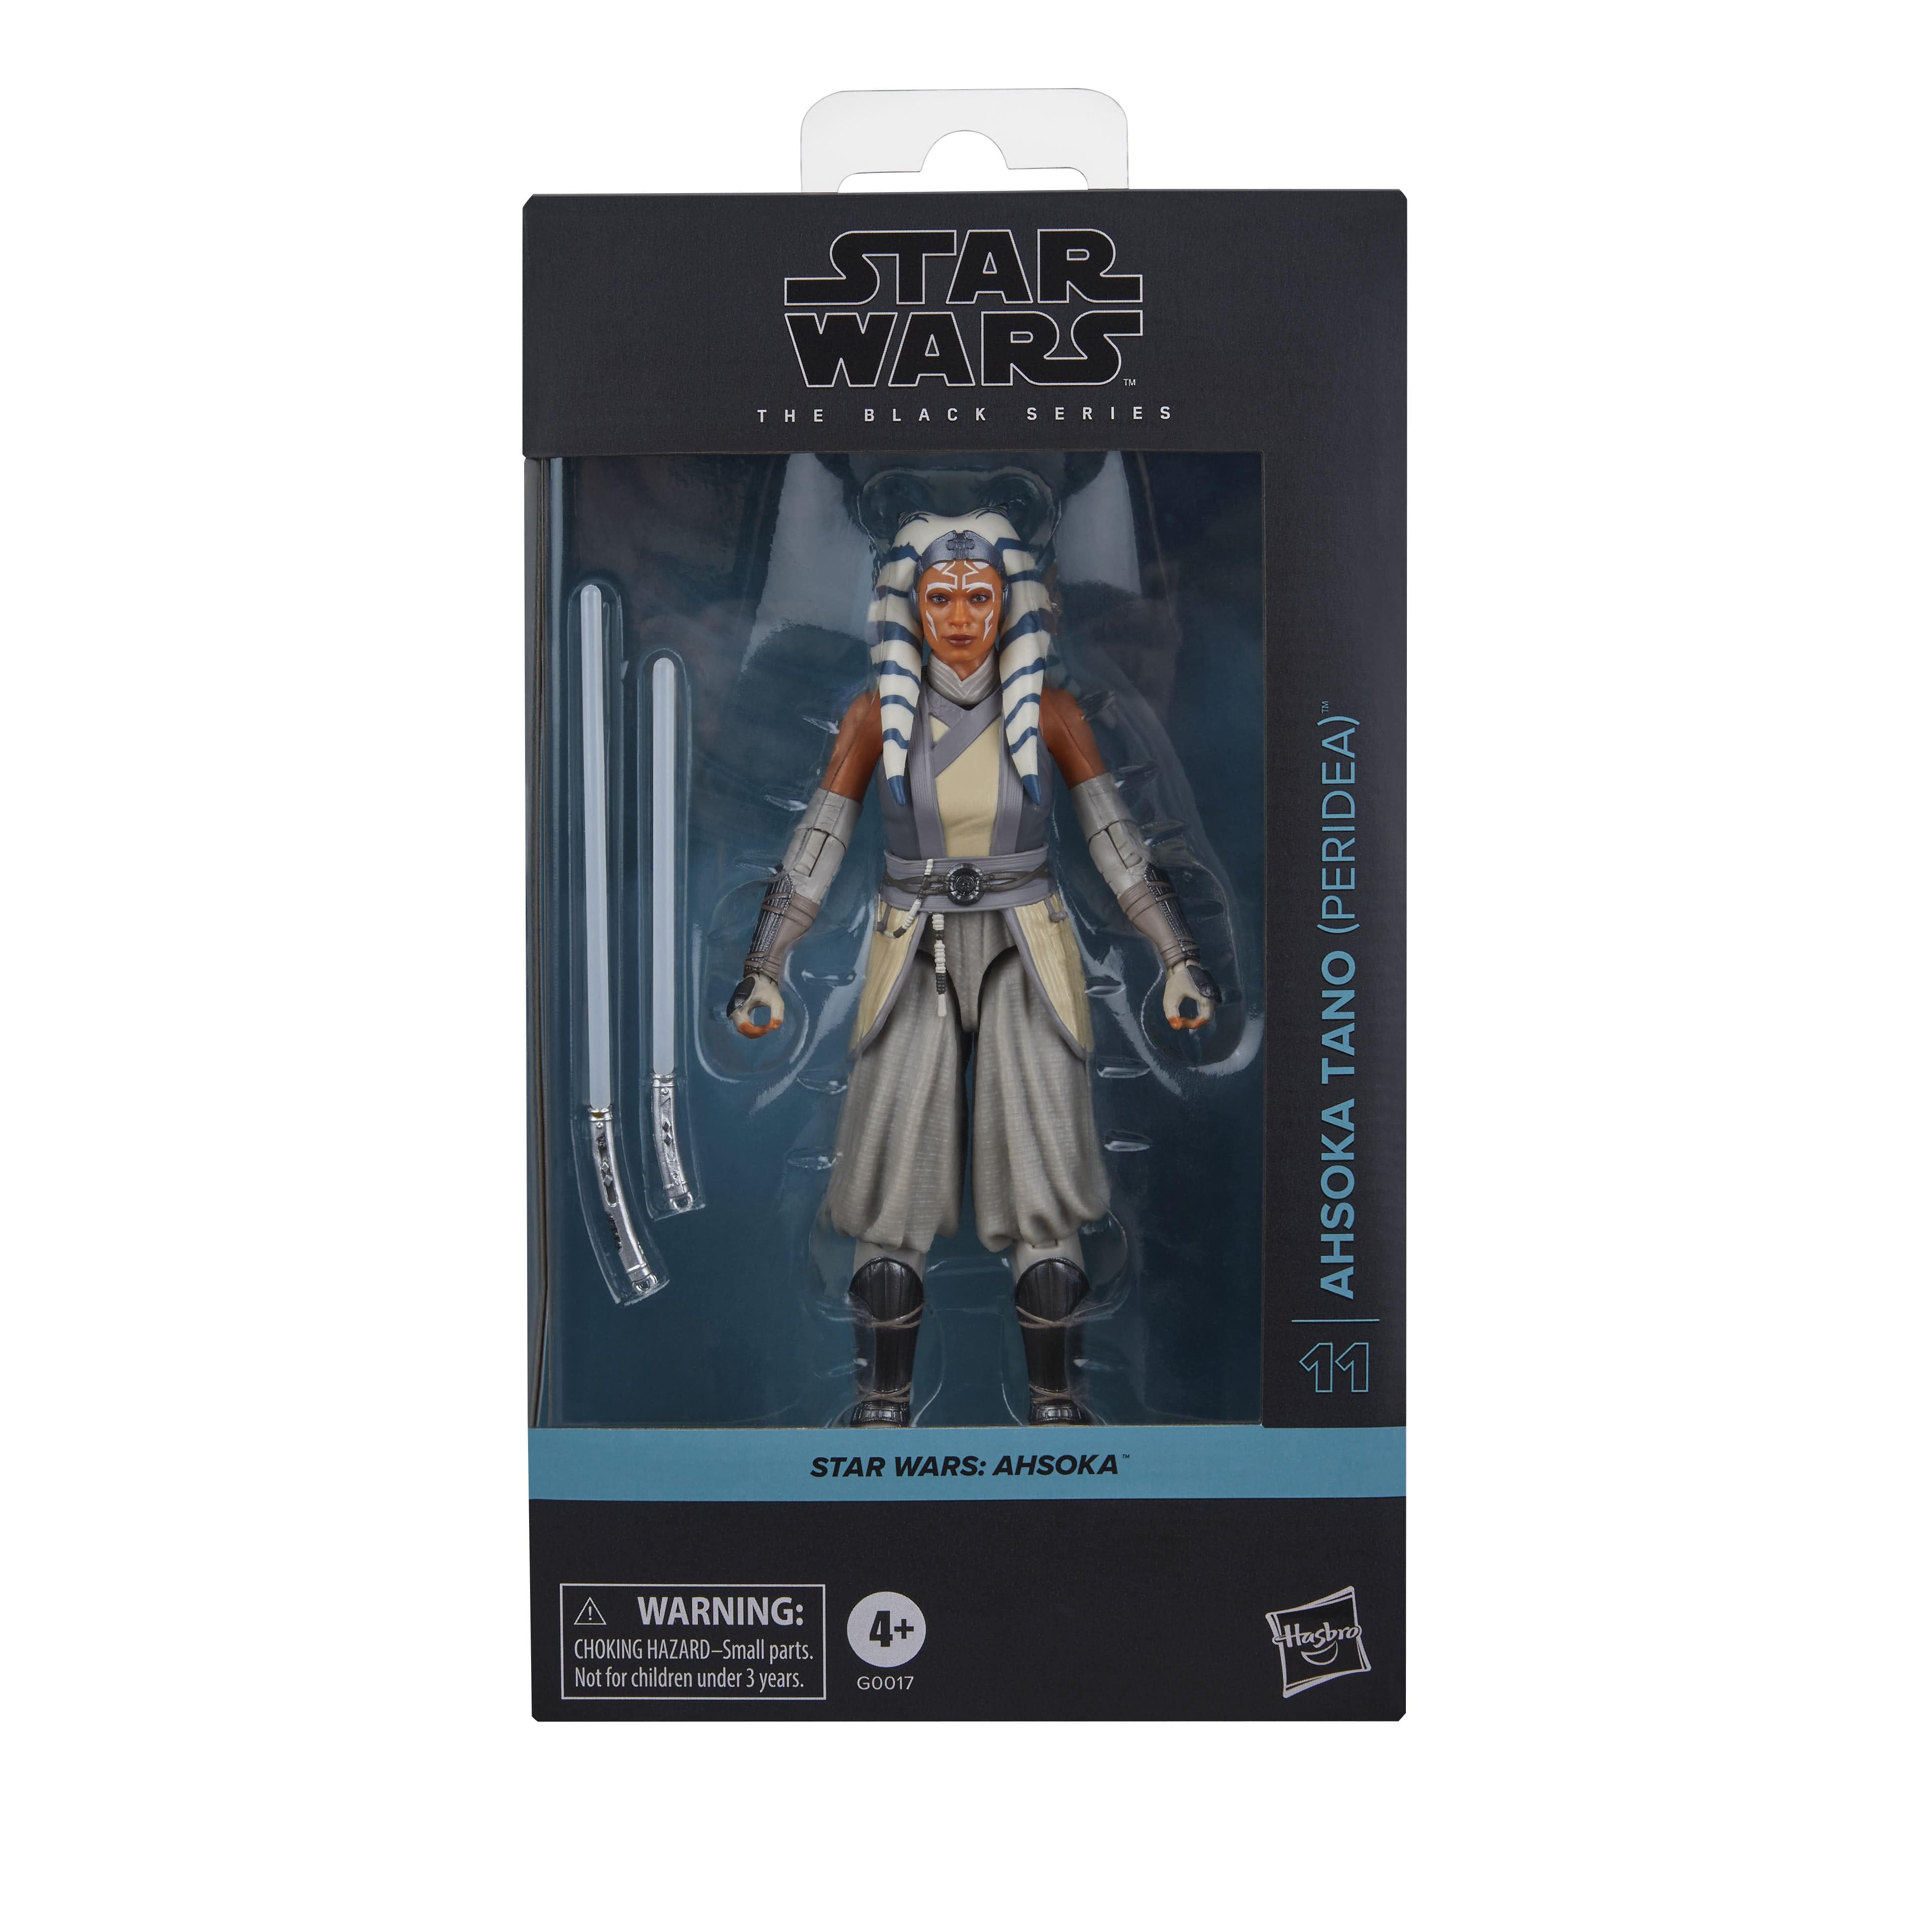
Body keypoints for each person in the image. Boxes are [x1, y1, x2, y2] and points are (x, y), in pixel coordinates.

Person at [728, 509, 1217, 1425]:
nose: (959, 618)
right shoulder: (876, 717)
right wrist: (766, 963)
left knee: (1045, 1187)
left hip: (1027, 949)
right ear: (911, 608)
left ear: (1011, 606)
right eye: (942, 598)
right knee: (889, 1187)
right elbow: (816, 846)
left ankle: (1056, 1396)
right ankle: (882, 1400)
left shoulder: (1054, 714)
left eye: (979, 599)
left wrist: (1176, 956)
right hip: (908, 948)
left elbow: (1117, 845)